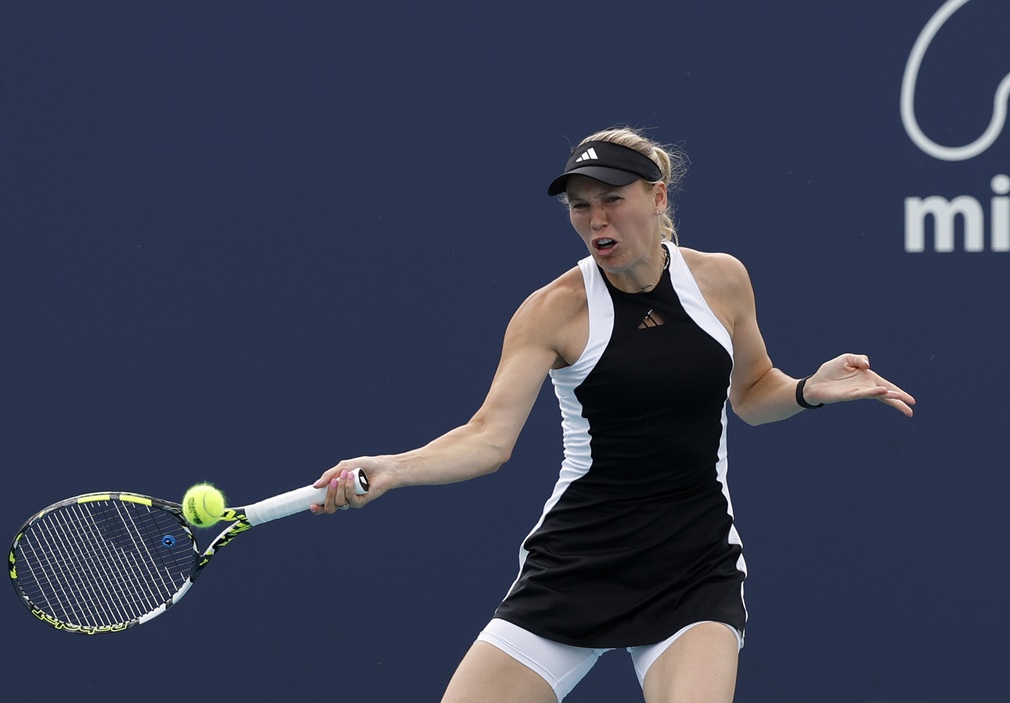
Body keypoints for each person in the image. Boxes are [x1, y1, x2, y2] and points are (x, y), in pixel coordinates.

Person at [310, 126, 915, 703]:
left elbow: (754, 393)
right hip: (578, 563)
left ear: (657, 197)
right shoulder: (553, 311)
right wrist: (392, 468)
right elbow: (488, 438)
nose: (596, 220)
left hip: (694, 564)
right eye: (580, 206)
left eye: (612, 200)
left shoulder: (722, 281)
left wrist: (809, 389)